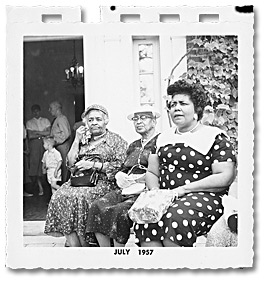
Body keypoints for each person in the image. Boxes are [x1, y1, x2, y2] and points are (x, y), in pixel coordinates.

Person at [133, 79, 237, 247]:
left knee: (175, 216)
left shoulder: (214, 137)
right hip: (166, 197)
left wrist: (182, 190)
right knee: (147, 215)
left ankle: (178, 268)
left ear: (197, 109)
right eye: (173, 104)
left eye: (183, 103)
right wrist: (155, 194)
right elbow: (152, 172)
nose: (176, 108)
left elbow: (224, 177)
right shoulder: (162, 138)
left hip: (205, 197)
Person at [44, 104, 128, 247]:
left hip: (103, 181)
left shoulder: (115, 140)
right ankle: (74, 245)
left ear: (106, 120)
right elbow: (70, 165)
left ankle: (87, 244)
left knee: (82, 197)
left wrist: (94, 165)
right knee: (59, 196)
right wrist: (76, 140)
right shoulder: (83, 141)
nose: (94, 123)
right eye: (90, 120)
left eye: (98, 119)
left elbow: (121, 166)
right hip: (79, 180)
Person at [85, 106, 160, 247]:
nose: (138, 122)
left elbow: (162, 171)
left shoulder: (160, 142)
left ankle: (118, 253)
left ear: (154, 121)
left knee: (119, 211)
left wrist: (141, 179)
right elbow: (123, 167)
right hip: (127, 188)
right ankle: (106, 253)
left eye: (143, 118)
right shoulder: (133, 145)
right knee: (97, 206)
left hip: (146, 191)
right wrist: (120, 174)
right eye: (136, 119)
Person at [26, 104, 51, 196]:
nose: (35, 113)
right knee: (35, 165)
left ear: (40, 111)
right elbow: (30, 136)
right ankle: (40, 187)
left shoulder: (45, 120)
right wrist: (42, 133)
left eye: (37, 111)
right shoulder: (29, 122)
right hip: (34, 145)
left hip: (45, 143)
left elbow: (48, 132)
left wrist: (36, 132)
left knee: (46, 164)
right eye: (34, 111)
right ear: (32, 112)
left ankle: (49, 187)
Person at [49, 101, 71, 183]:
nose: (49, 110)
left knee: (64, 167)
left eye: (51, 108)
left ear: (57, 109)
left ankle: (64, 185)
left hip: (62, 146)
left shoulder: (61, 119)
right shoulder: (57, 119)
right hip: (59, 146)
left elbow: (66, 134)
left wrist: (54, 142)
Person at [23, 124, 33, 197]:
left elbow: (25, 137)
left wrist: (26, 148)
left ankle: (23, 191)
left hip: (22, 147)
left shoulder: (21, 124)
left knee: (24, 170)